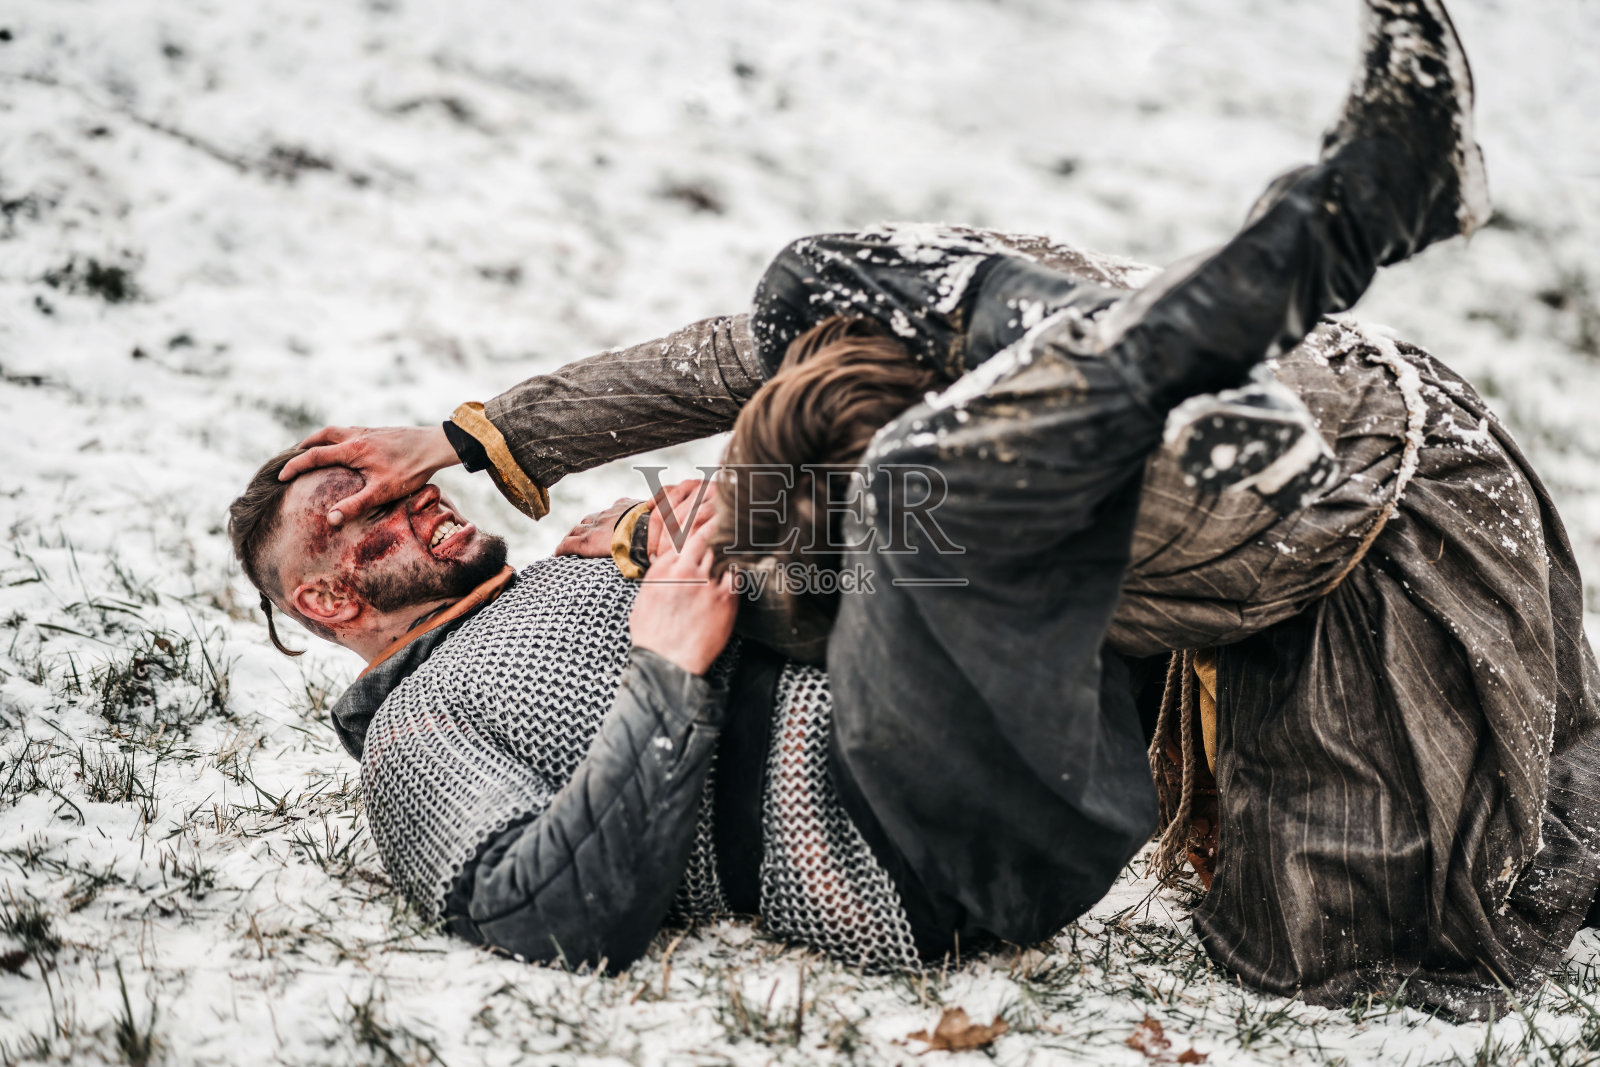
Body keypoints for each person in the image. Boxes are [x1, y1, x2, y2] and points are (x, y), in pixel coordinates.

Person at [241, 0, 1600, 1016]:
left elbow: (747, 388)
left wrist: (500, 446)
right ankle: (1232, 319)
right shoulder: (419, 730)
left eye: (389, 484)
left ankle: (1166, 358)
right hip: (911, 834)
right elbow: (541, 915)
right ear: (327, 601)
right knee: (915, 480)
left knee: (811, 309)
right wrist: (667, 664)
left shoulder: (565, 568)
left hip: (966, 673)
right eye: (354, 521)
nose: (401, 508)